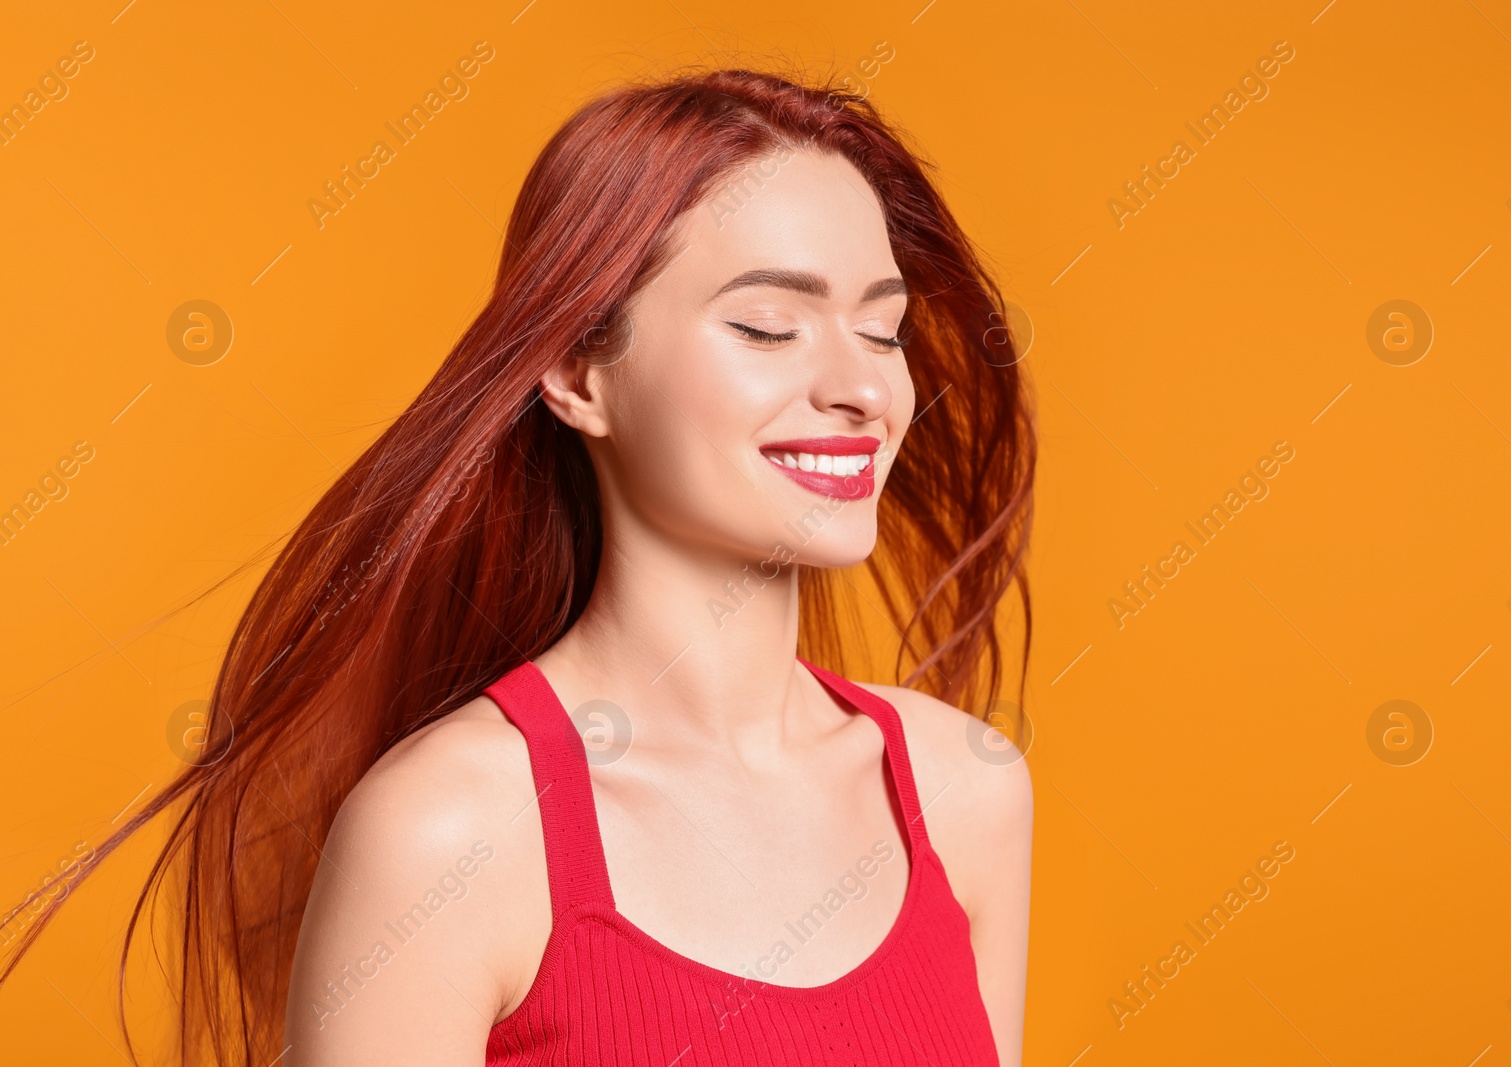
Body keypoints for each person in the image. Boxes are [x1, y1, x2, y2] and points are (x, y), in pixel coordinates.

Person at [2, 68, 1037, 1067]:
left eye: (882, 328)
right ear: (578, 371)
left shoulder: (964, 793)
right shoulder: (445, 834)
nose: (861, 387)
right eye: (769, 325)